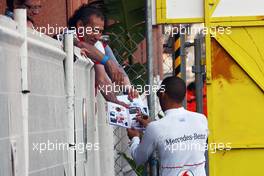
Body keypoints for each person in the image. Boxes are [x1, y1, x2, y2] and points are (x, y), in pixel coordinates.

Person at [127, 76, 208, 176]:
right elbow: (180, 130)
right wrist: (151, 125)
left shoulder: (156, 128)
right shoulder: (201, 119)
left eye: (158, 94)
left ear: (163, 94)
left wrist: (134, 137)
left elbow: (139, 158)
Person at [68, 5, 138, 106]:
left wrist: (116, 102)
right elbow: (80, 44)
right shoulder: (68, 34)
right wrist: (107, 61)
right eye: (94, 30)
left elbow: (102, 79)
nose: (97, 36)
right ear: (80, 25)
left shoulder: (97, 45)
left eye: (100, 31)